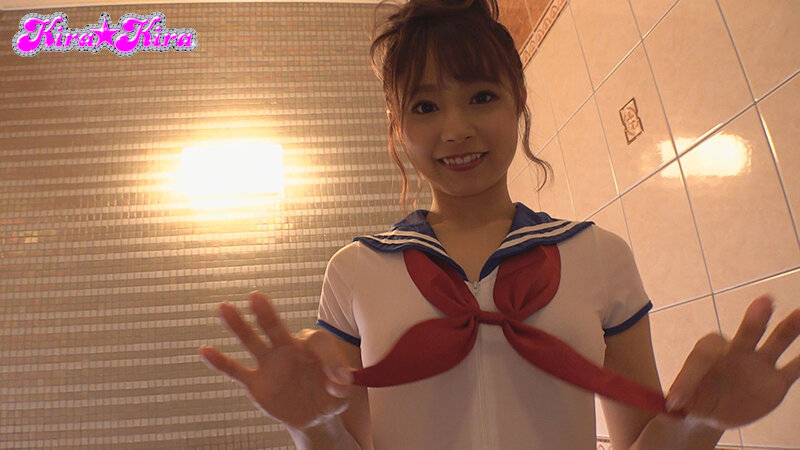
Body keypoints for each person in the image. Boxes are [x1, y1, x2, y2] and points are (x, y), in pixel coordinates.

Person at [198, 0, 800, 448]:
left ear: (519, 101)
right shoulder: (354, 271)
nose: (455, 128)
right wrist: (312, 427)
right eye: (425, 106)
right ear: (397, 126)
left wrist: (702, 422)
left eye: (481, 96)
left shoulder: (600, 256)